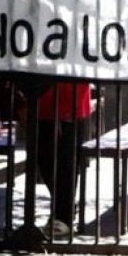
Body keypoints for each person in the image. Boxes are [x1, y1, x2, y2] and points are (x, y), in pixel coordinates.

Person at [35, 81, 92, 238]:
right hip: (44, 100)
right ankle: (63, 209)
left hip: (68, 98)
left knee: (66, 161)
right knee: (45, 159)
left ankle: (63, 216)